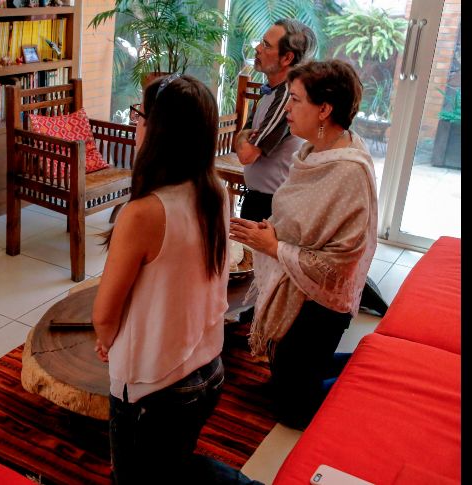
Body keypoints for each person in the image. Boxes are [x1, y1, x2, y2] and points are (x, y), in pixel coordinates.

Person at [92, 74, 259, 485]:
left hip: (155, 385)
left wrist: (107, 339)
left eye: (140, 116)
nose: (135, 124)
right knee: (174, 465)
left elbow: (104, 314)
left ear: (159, 131)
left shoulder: (144, 213)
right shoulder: (215, 190)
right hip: (208, 369)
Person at [229, 60, 378, 430]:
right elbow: (302, 219)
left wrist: (275, 247)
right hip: (296, 283)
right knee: (287, 377)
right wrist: (273, 232)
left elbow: (341, 262)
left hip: (321, 301)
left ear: (324, 109)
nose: (287, 109)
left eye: (295, 100)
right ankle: (321, 371)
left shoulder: (348, 171)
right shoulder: (314, 151)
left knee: (294, 412)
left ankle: (369, 376)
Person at [235, 19, 317, 223]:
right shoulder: (270, 92)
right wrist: (241, 137)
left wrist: (241, 138)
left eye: (266, 45)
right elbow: (242, 138)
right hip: (258, 199)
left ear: (287, 57)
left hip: (271, 206)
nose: (258, 49)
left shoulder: (286, 97)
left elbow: (246, 154)